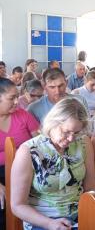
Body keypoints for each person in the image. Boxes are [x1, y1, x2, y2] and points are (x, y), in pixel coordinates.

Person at [11, 98, 95, 230]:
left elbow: (91, 186)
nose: (71, 139)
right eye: (66, 132)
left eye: (76, 133)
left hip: (80, 214)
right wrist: (50, 224)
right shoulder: (29, 151)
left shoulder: (83, 142)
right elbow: (18, 205)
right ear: (52, 123)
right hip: (42, 221)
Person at [0, 78, 40, 228]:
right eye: (12, 98)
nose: (17, 101)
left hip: (28, 170)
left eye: (17, 97)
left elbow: (40, 140)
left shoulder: (22, 115)